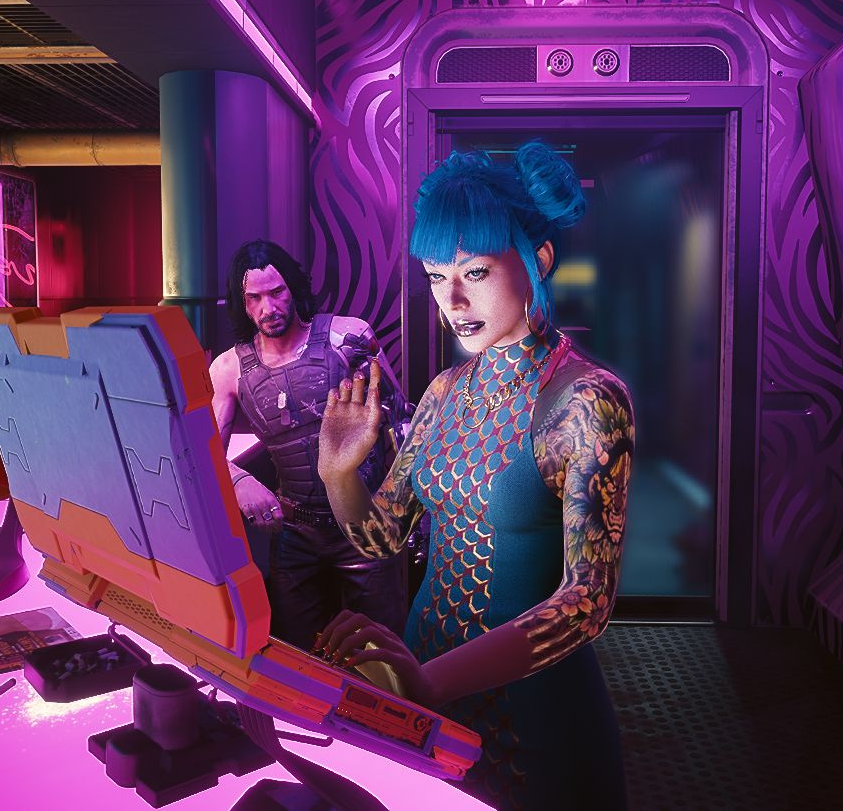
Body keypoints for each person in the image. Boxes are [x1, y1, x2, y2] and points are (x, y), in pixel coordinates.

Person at [316, 142, 633, 809]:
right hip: (423, 688)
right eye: (436, 276)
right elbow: (383, 538)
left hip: (533, 713)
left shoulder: (586, 401)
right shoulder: (444, 391)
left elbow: (588, 602)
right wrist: (338, 474)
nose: (452, 299)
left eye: (476, 271)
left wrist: (433, 681)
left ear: (538, 260)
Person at [207, 239, 413, 648]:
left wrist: (409, 513)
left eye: (277, 292)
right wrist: (237, 480)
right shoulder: (229, 369)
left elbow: (401, 425)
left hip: (364, 523)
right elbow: (201, 454)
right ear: (241, 303)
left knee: (383, 654)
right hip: (295, 532)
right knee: (296, 655)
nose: (268, 308)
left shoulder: (347, 337)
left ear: (293, 288)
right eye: (254, 298)